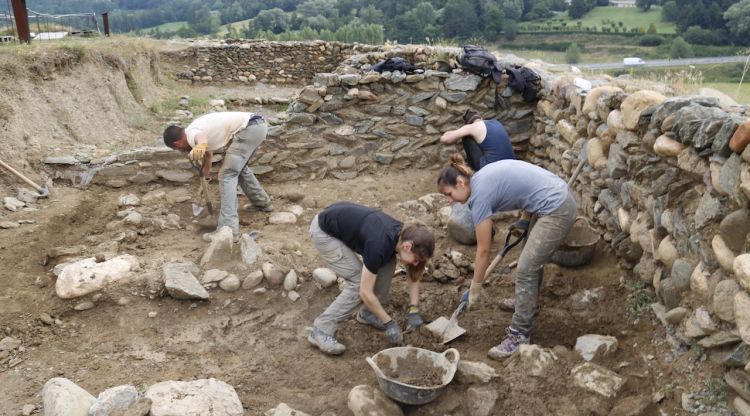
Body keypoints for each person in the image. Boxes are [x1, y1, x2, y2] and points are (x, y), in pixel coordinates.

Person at [436, 154, 577, 359]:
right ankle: (527, 303)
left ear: (460, 183)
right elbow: (524, 184)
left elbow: (484, 250)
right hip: (551, 197)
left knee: (526, 268)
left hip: (557, 208)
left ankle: (520, 335)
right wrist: (525, 218)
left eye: (449, 194)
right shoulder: (480, 179)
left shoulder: (479, 197)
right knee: (531, 262)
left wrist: (475, 286)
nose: (449, 200)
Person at [307, 202, 435, 355]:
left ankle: (368, 313)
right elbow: (365, 292)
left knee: (388, 261)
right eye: (416, 259)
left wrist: (414, 308)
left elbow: (414, 273)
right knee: (358, 283)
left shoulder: (403, 236)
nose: (415, 263)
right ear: (407, 247)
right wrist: (389, 322)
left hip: (343, 223)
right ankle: (321, 330)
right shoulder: (378, 244)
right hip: (324, 233)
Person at [162, 112, 273, 242]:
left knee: (227, 175)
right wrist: (205, 179)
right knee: (240, 169)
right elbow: (208, 156)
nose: (180, 151)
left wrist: (201, 145)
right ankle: (262, 203)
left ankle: (228, 230)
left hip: (249, 128)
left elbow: (200, 137)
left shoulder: (192, 133)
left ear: (177, 144)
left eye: (177, 149)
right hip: (257, 125)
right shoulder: (194, 129)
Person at [439, 109, 516, 171]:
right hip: (512, 166)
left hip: (492, 171)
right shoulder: (495, 122)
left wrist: (454, 132)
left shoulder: (472, 127)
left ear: (469, 123)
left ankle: (475, 172)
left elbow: (445, 139)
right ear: (480, 118)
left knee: (466, 137)